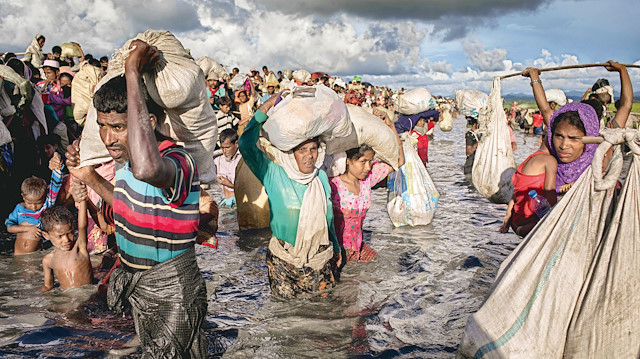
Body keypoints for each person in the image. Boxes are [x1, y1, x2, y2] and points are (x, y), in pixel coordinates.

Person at [64, 40, 207, 357]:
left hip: (173, 297)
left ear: (148, 124)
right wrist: (88, 177)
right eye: (101, 126)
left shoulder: (177, 162)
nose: (106, 137)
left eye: (117, 127)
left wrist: (132, 71)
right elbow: (129, 207)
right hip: (134, 287)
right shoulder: (127, 167)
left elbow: (147, 169)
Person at [238, 94, 342, 299]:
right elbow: (245, 145)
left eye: (313, 149)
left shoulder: (319, 177)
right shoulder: (273, 173)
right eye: (302, 150)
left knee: (324, 317)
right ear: (290, 153)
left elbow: (328, 216)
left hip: (319, 257)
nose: (309, 155)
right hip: (283, 260)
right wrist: (265, 108)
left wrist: (336, 247)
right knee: (286, 316)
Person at [523, 61, 632, 196]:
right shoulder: (561, 131)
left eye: (573, 138)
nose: (564, 145)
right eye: (559, 136)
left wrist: (622, 70)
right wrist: (534, 78)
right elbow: (545, 109)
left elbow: (626, 106)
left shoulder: (604, 141)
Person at [330, 115, 404, 262]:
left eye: (370, 161)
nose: (368, 167)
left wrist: (391, 127)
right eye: (363, 162)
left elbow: (399, 161)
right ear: (347, 161)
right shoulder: (332, 184)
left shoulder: (367, 180)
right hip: (336, 252)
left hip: (357, 248)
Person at [500, 132, 557, 236]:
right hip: (530, 224)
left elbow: (515, 193)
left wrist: (508, 215)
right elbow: (551, 200)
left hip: (516, 222)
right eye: (558, 136)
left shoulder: (529, 159)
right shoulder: (549, 160)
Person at [6, 153, 63, 255]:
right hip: (18, 254)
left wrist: (56, 166)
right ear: (23, 197)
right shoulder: (19, 209)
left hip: (35, 254)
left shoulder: (46, 206)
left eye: (37, 203)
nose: (33, 207)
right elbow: (9, 227)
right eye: (29, 203)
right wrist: (28, 229)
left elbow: (55, 185)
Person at [39, 202, 93, 291]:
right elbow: (48, 286)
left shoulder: (79, 247)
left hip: (88, 296)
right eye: (60, 236)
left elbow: (82, 226)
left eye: (70, 233)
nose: (66, 239)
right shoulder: (48, 260)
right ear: (46, 236)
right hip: (66, 300)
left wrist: (83, 200)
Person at [214, 129, 242, 207]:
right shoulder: (217, 160)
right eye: (222, 147)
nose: (224, 151)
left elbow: (248, 188)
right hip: (223, 203)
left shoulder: (243, 160)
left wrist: (229, 185)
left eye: (227, 147)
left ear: (236, 143)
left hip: (240, 203)